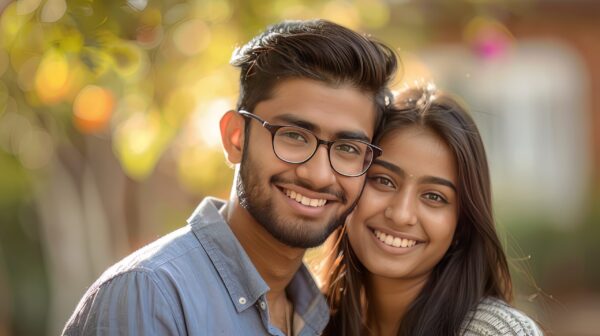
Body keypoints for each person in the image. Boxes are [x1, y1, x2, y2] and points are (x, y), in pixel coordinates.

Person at [62, 19, 397, 335]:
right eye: (293, 135)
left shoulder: (323, 315)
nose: (319, 175)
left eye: (348, 148)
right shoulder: (151, 294)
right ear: (236, 137)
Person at [319, 85, 544, 336]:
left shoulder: (493, 332)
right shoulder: (304, 322)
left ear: (462, 224)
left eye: (434, 197)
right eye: (383, 180)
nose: (402, 214)